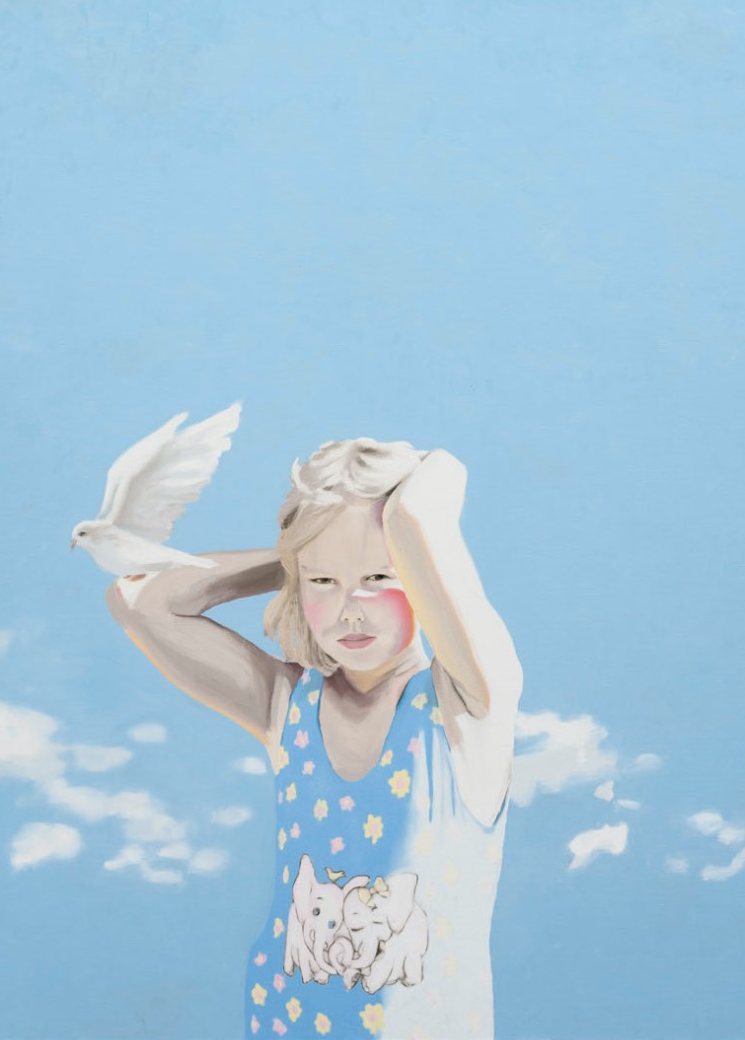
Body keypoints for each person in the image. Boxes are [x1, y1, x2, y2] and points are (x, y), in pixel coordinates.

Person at [107, 440, 522, 1040]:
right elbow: (139, 599)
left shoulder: (470, 703)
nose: (351, 608)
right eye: (324, 581)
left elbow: (416, 517)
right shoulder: (288, 706)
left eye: (380, 577)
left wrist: (436, 478)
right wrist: (298, 553)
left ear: (424, 571)